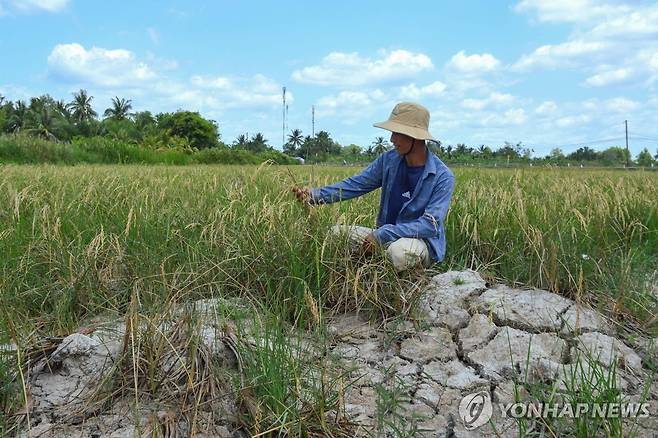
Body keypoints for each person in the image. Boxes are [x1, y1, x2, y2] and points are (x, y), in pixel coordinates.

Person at [292, 102, 455, 271]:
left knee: (398, 252)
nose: (392, 139)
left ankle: (407, 277)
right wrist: (315, 195)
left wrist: (382, 234)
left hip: (418, 242)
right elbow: (356, 184)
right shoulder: (388, 160)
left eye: (398, 133)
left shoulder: (442, 177)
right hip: (383, 237)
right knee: (335, 234)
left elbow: (430, 225)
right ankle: (368, 269)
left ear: (415, 137)